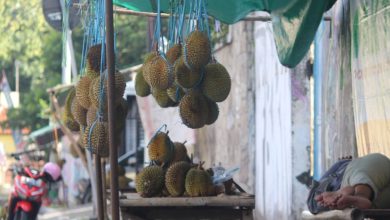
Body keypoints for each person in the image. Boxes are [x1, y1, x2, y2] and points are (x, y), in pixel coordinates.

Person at [313, 153, 390, 211]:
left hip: (352, 175)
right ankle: (356, 194)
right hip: (354, 173)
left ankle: (358, 194)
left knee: (359, 176)